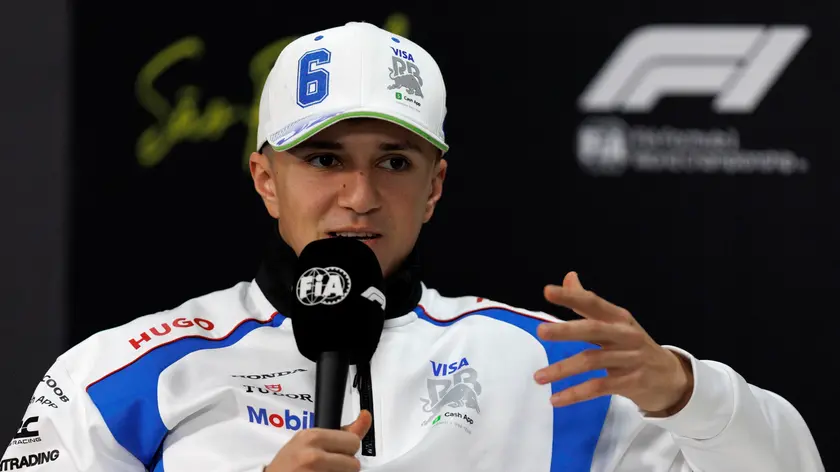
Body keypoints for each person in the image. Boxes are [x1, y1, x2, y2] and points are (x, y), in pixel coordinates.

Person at [1, 21, 823, 472]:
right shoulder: (124, 372)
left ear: (434, 187)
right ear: (265, 179)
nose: (360, 196)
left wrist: (687, 394)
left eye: (393, 163)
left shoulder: (549, 369)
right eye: (325, 160)